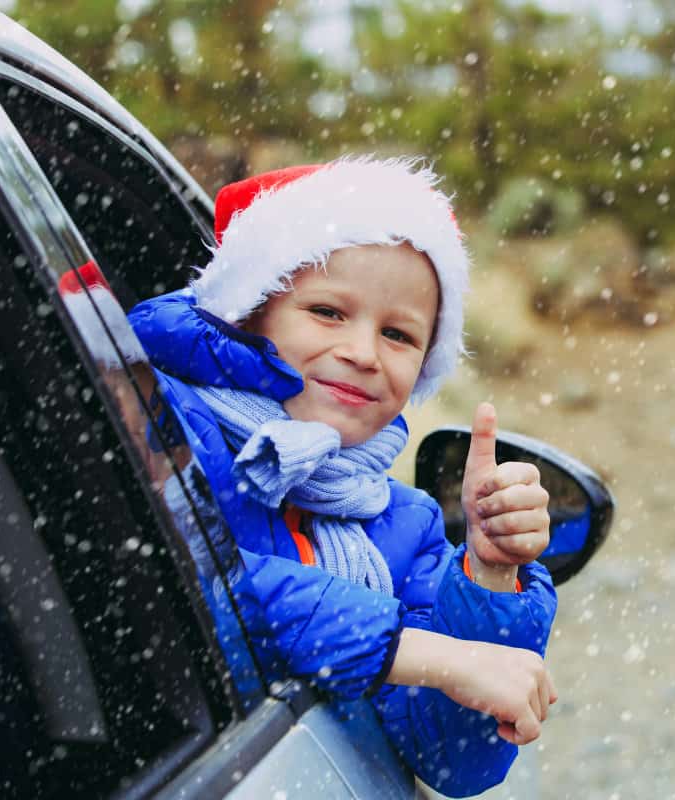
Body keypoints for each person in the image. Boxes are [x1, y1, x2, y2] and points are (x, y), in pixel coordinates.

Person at [125, 156, 558, 796]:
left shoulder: (403, 524)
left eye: (398, 334)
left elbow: (449, 762)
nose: (362, 353)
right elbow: (187, 580)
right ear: (250, 311)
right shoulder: (162, 419)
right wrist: (430, 657)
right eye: (328, 312)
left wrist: (489, 574)